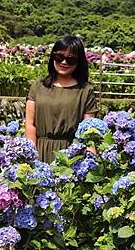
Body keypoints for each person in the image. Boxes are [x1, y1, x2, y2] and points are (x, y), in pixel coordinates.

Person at [25, 35, 98, 163]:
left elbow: (88, 131)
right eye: (59, 57)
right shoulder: (38, 86)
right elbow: (30, 125)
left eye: (70, 59)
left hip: (71, 156)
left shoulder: (86, 90)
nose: (64, 62)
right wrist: (31, 157)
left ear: (79, 62)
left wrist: (92, 161)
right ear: (53, 57)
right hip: (39, 151)